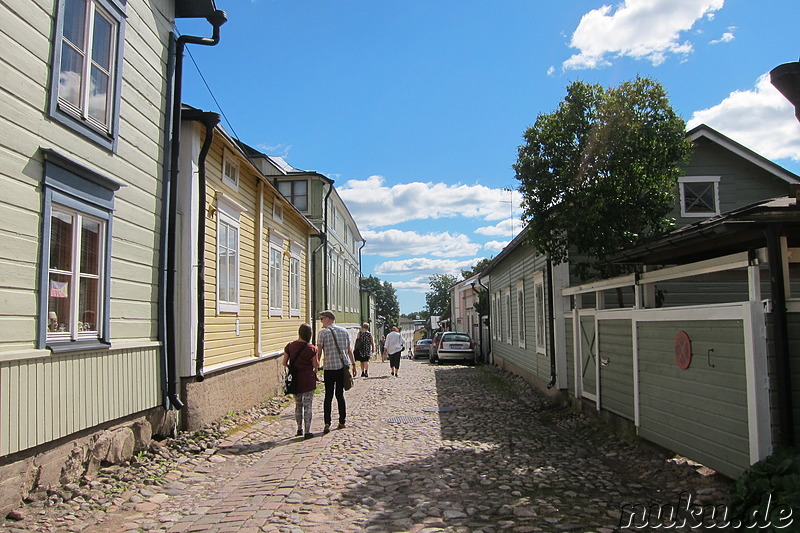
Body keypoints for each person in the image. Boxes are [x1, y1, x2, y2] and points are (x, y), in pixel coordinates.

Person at [317, 310, 356, 434]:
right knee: (340, 395)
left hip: (329, 368)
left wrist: (316, 366)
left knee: (328, 396)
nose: (321, 321)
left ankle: (327, 422)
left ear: (328, 319)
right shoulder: (344, 332)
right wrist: (354, 364)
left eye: (322, 318)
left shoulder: (323, 333)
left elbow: (319, 351)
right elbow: (349, 350)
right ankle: (342, 421)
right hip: (341, 368)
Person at [282, 323, 319, 439]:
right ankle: (307, 431)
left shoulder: (289, 346)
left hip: (295, 380)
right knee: (308, 405)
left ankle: (299, 429)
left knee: (298, 405)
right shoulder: (312, 348)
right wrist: (314, 371)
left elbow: (284, 362)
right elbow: (315, 365)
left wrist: (291, 368)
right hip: (308, 379)